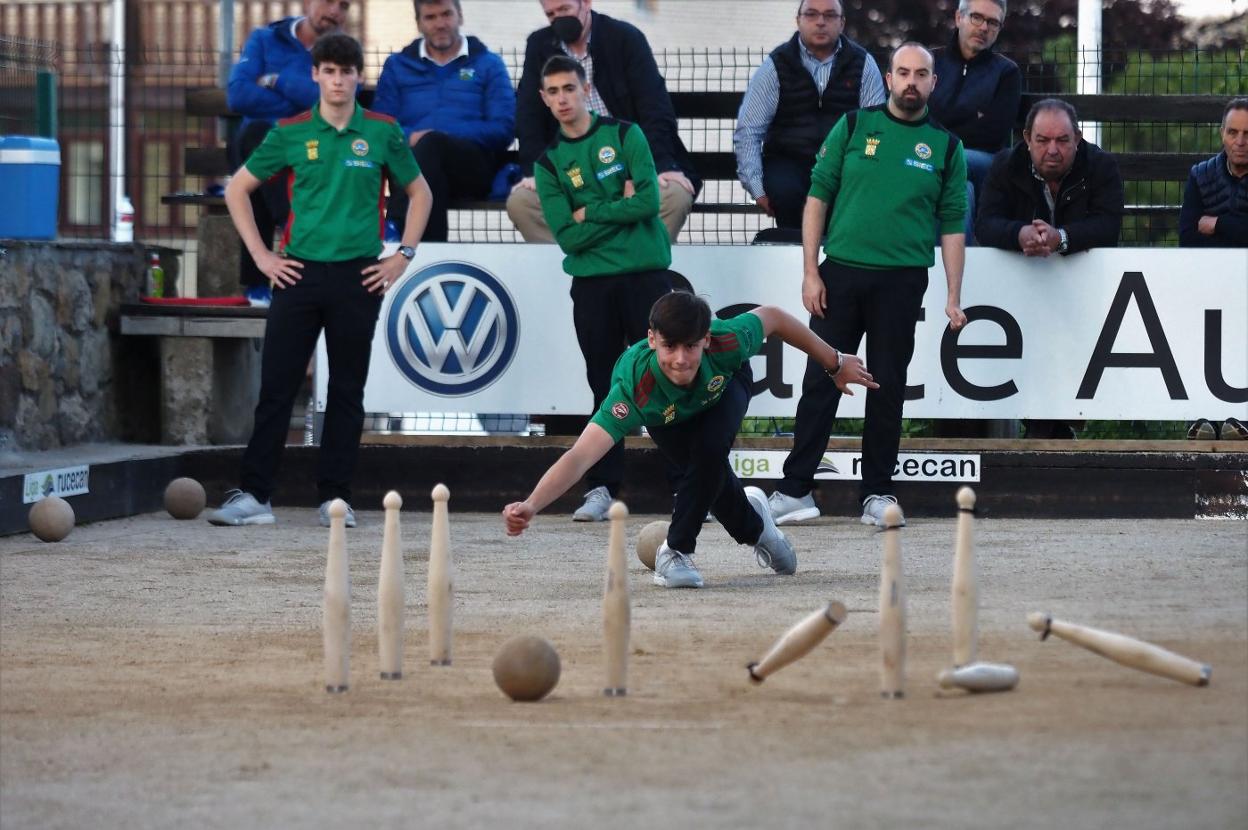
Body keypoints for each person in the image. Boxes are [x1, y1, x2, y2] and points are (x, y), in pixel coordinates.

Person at [502, 291, 877, 589]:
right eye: (669, 347)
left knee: (711, 450)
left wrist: (834, 362)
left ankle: (675, 552)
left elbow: (775, 318)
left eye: (691, 347)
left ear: (707, 340)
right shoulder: (633, 390)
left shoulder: (727, 342)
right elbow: (581, 457)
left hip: (724, 389)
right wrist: (531, 505)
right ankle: (757, 525)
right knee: (711, 482)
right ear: (651, 340)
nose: (681, 359)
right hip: (668, 418)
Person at [208, 33, 433, 528]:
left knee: (347, 391)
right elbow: (237, 190)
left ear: (357, 77)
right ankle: (256, 495)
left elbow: (420, 194)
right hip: (299, 274)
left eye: (346, 71)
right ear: (315, 75)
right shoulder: (290, 131)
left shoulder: (381, 130)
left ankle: (336, 498)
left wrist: (403, 257)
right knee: (277, 386)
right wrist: (263, 257)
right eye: (328, 71)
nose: (337, 80)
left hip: (359, 276)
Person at [767, 43, 968, 529]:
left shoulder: (946, 145)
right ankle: (796, 490)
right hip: (840, 274)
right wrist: (811, 269)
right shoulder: (854, 126)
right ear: (889, 77)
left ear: (933, 82)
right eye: (903, 72)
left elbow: (953, 223)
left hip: (902, 280)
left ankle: (877, 493)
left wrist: (953, 295)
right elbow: (818, 195)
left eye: (922, 74)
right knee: (821, 379)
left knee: (887, 386)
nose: (912, 82)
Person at [532, 55, 676, 522]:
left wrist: (590, 212)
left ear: (584, 87)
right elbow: (566, 237)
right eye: (552, 92)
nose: (561, 99)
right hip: (592, 285)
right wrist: (620, 204)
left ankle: (689, 483)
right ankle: (601, 488)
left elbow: (651, 201)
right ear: (544, 99)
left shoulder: (624, 134)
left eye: (568, 89)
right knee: (606, 383)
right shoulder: (550, 163)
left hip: (646, 276)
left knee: (666, 379)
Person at [975, 98, 1124, 440]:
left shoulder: (1101, 165)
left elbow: (1108, 226)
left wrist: (1062, 239)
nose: (1052, 149)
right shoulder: (1005, 165)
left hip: (1084, 286)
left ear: (1078, 138)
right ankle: (1048, 431)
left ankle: (1048, 431)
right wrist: (1020, 234)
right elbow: (986, 224)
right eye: (1042, 141)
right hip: (1020, 287)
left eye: (1062, 140)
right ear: (1027, 138)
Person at [507, 0, 701, 243]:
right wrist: (533, 172)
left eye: (565, 10)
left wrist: (659, 166)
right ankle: (572, 270)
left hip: (628, 164)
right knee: (522, 202)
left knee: (673, 195)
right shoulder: (539, 45)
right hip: (572, 173)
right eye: (551, 14)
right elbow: (529, 116)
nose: (558, 19)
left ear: (586, 3)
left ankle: (636, 269)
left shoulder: (624, 39)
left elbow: (655, 110)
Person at [226, 0, 351, 306]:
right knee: (258, 140)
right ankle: (303, 242)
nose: (335, 10)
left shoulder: (343, 50)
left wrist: (276, 81)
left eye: (344, 5)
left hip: (313, 148)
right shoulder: (264, 40)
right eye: (328, 2)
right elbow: (238, 95)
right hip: (266, 144)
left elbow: (338, 103)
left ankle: (257, 283)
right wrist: (302, 105)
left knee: (258, 169)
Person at [732, 0, 885, 232]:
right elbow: (749, 132)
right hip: (788, 163)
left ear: (842, 23)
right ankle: (797, 261)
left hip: (843, 164)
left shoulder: (863, 64)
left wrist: (867, 172)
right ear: (798, 21)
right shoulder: (776, 65)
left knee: (847, 199)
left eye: (830, 15)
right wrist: (757, 189)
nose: (820, 22)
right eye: (811, 14)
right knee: (785, 192)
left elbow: (875, 130)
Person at [372, 0, 515, 242]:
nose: (440, 24)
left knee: (431, 145)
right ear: (418, 23)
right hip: (413, 167)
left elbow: (504, 128)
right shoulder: (398, 66)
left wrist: (438, 135)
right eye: (430, 17)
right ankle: (430, 251)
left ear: (460, 16)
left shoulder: (488, 64)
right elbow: (380, 127)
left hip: (471, 169)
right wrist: (410, 137)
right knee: (427, 159)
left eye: (446, 14)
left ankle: (396, 224)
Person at [1179, 97, 1248, 441]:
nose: (1241, 141)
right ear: (1222, 134)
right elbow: (1188, 234)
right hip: (1207, 280)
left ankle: (1241, 418)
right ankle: (1200, 416)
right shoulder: (1201, 175)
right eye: (1233, 132)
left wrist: (1218, 224)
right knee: (1199, 332)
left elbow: (1206, 227)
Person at [929, 0, 1020, 215]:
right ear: (959, 18)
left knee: (950, 162)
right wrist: (971, 116)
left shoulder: (1006, 72)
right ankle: (956, 250)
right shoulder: (931, 62)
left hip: (983, 161)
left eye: (993, 22)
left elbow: (993, 133)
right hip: (933, 156)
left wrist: (940, 125)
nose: (984, 27)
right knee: (961, 188)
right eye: (976, 17)